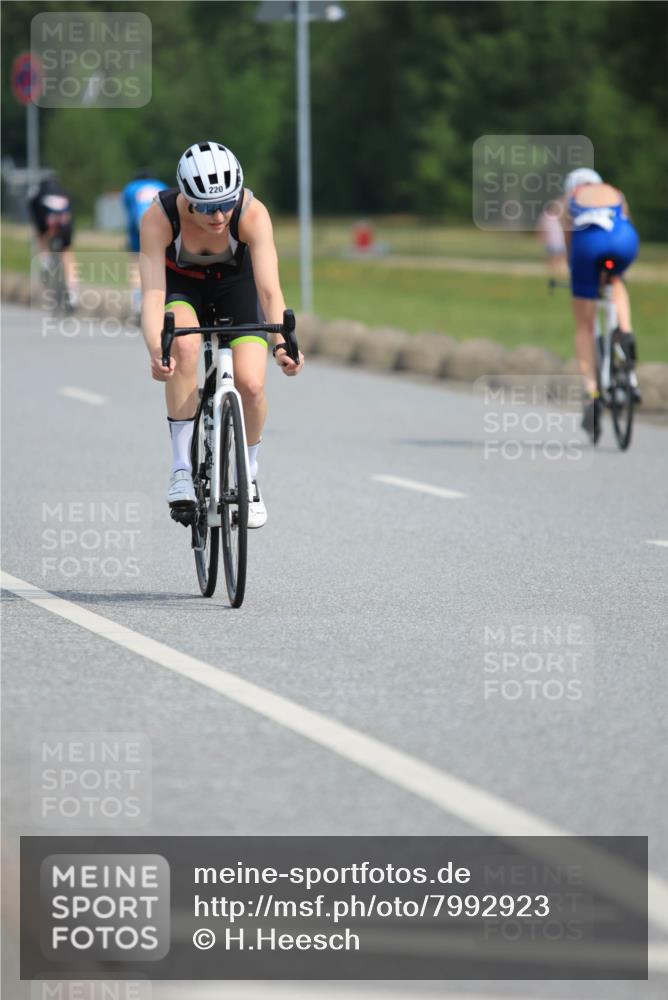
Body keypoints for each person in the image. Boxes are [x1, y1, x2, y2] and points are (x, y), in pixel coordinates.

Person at [139, 140, 304, 528]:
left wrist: (283, 344)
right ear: (186, 199)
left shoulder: (251, 214)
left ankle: (249, 474)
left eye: (226, 203)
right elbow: (152, 294)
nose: (219, 215)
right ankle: (181, 467)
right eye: (208, 206)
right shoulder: (159, 219)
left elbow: (268, 290)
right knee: (184, 343)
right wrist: (156, 350)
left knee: (251, 386)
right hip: (183, 286)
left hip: (237, 286)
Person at [562, 167, 640, 439]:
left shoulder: (571, 198)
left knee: (584, 325)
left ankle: (591, 391)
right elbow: (626, 220)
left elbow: (570, 245)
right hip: (623, 240)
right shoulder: (614, 191)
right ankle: (626, 333)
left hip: (588, 247)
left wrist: (579, 278)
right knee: (616, 280)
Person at [122, 171, 168, 316]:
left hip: (139, 224)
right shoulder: (161, 185)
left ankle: (137, 303)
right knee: (161, 264)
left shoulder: (130, 188)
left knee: (136, 264)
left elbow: (129, 213)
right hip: (160, 225)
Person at [28, 175, 78, 308]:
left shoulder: (38, 195)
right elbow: (71, 215)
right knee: (68, 254)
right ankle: (73, 294)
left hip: (47, 225)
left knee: (41, 236)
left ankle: (45, 261)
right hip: (65, 226)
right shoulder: (64, 193)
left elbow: (35, 222)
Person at [536, 203, 567, 281]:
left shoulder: (558, 217)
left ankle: (558, 271)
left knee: (561, 256)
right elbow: (541, 228)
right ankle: (553, 271)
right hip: (551, 240)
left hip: (559, 239)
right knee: (553, 256)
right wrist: (542, 237)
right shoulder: (545, 217)